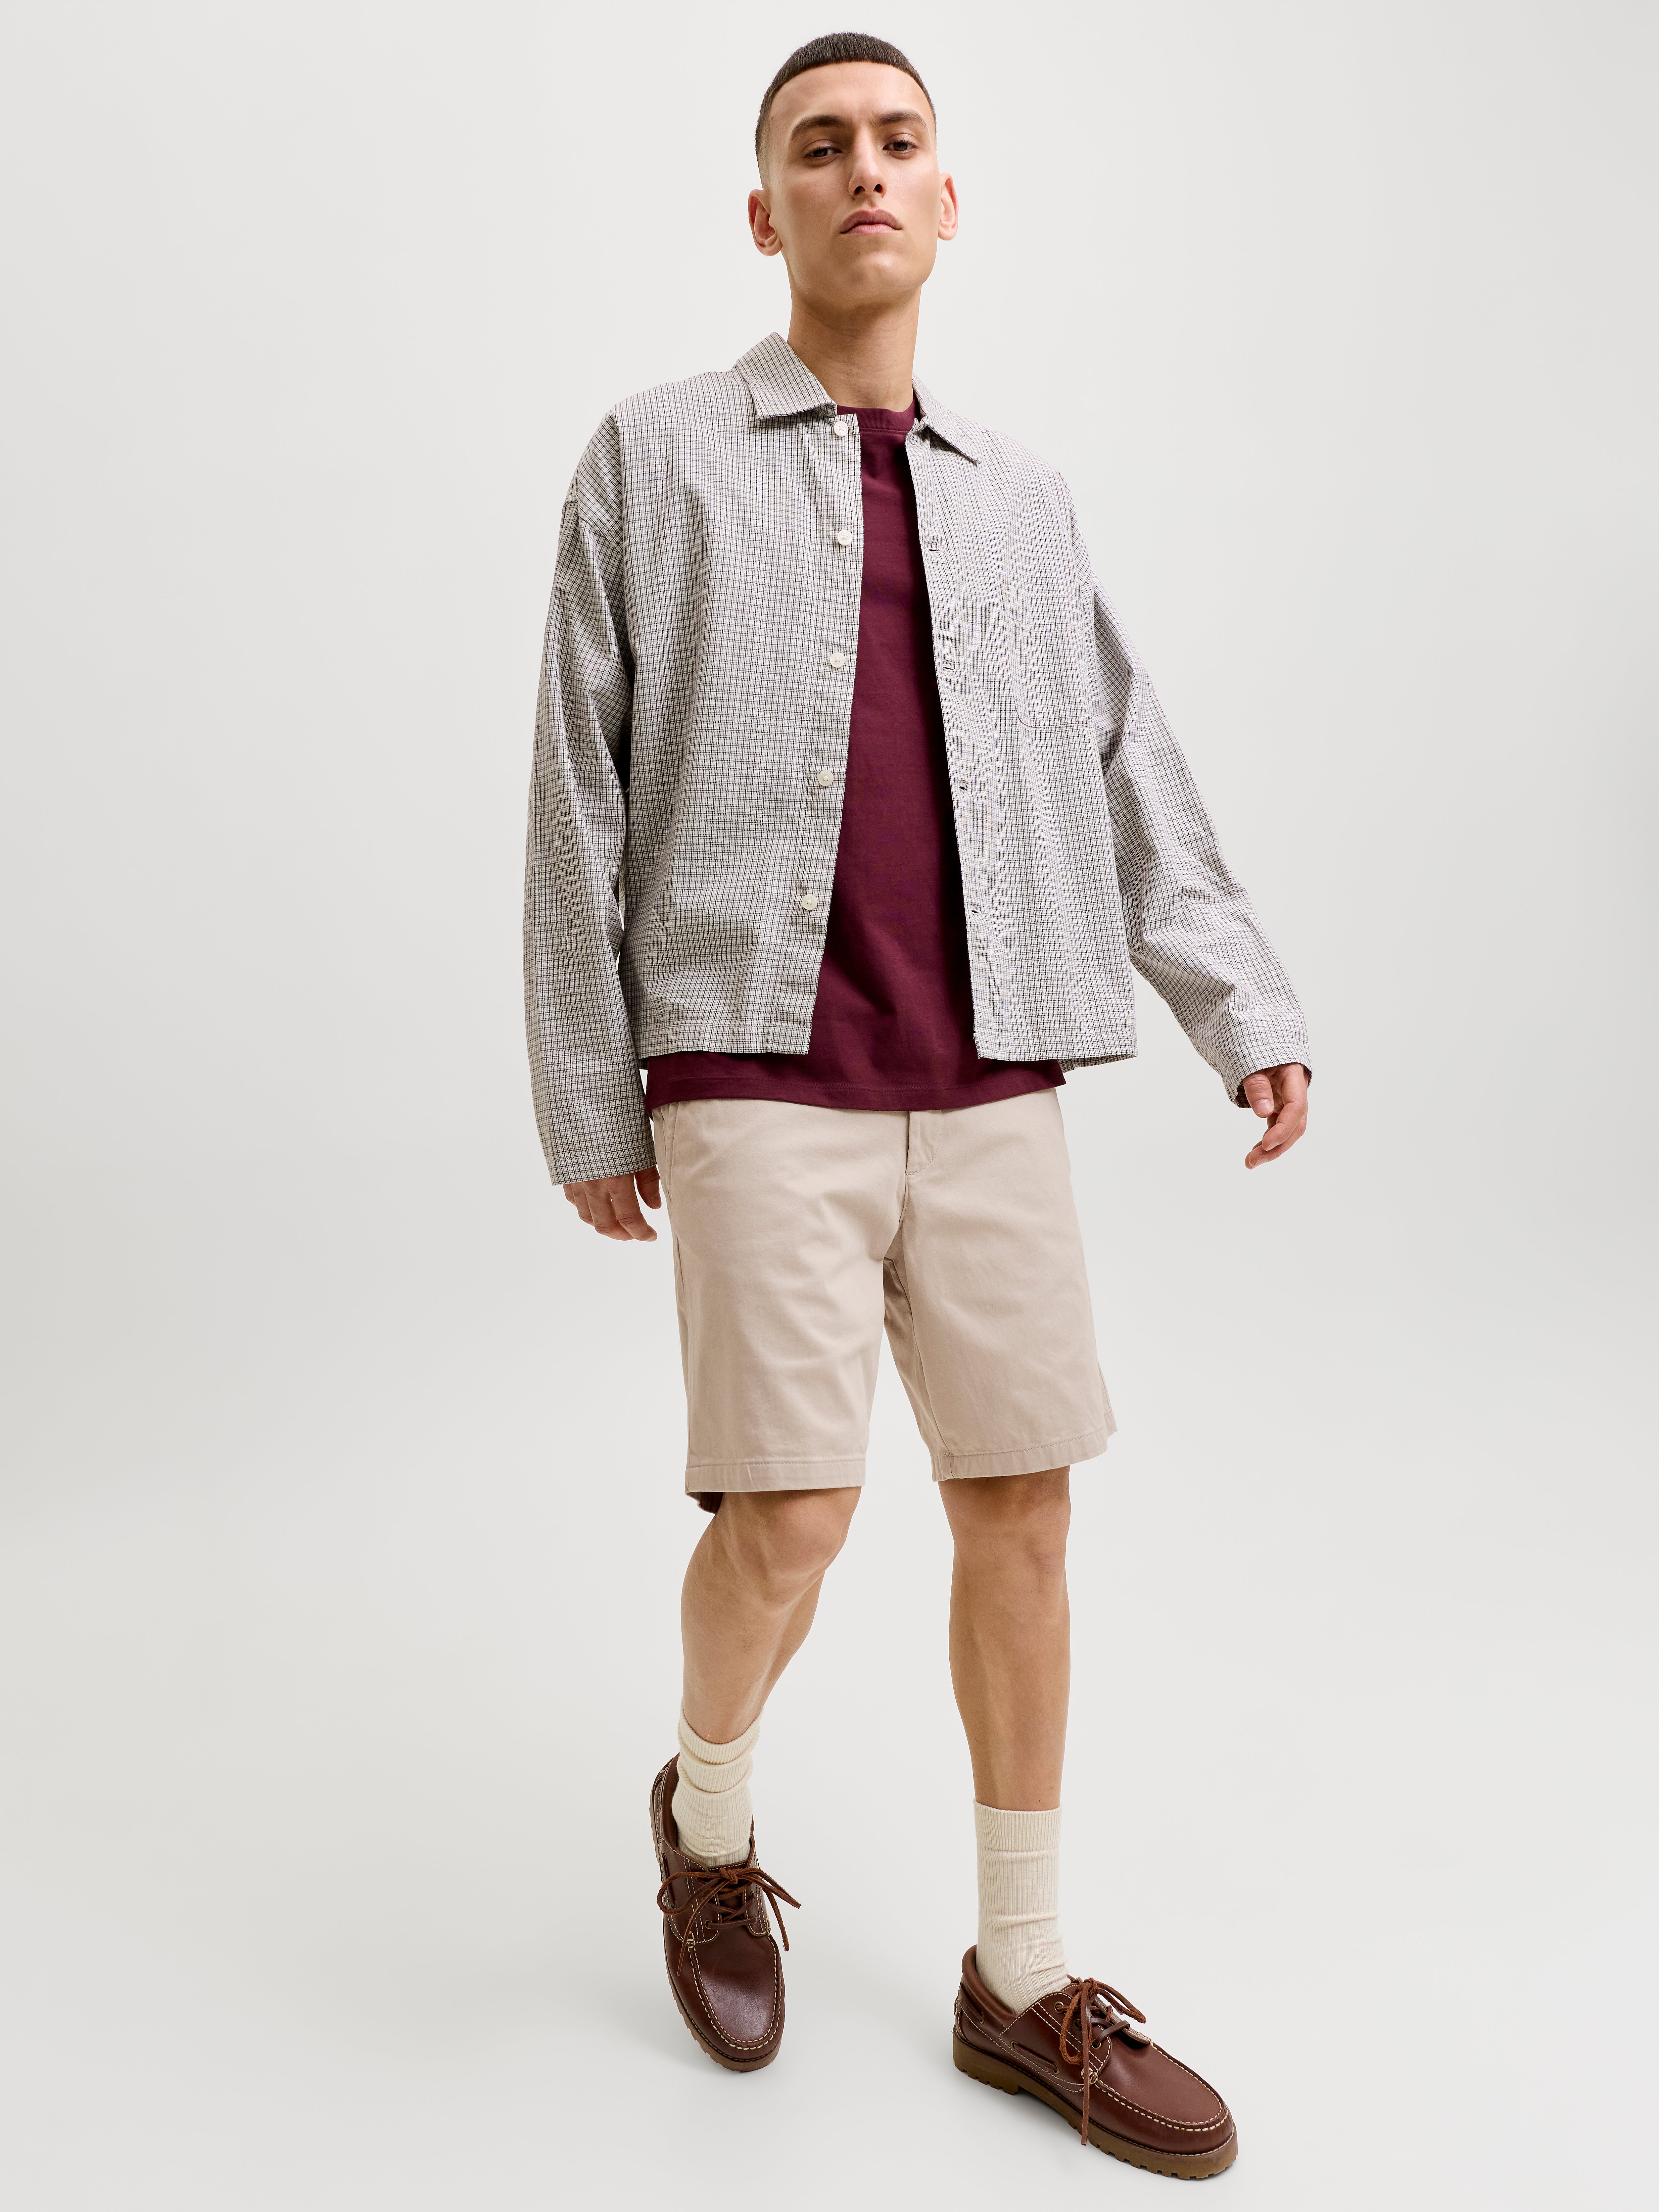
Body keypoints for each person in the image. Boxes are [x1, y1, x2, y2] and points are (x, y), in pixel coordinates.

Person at [525, 30, 1309, 2179]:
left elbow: (1129, 759)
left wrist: (1237, 1000)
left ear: (946, 203)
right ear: (763, 208)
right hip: (752, 1066)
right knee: (788, 1519)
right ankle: (705, 1824)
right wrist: (593, 1092)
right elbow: (576, 786)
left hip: (992, 1073)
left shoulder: (1020, 495)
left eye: (897, 142)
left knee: (1023, 1508)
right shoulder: (654, 460)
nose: (861, 171)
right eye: (819, 146)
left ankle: (1024, 1977)